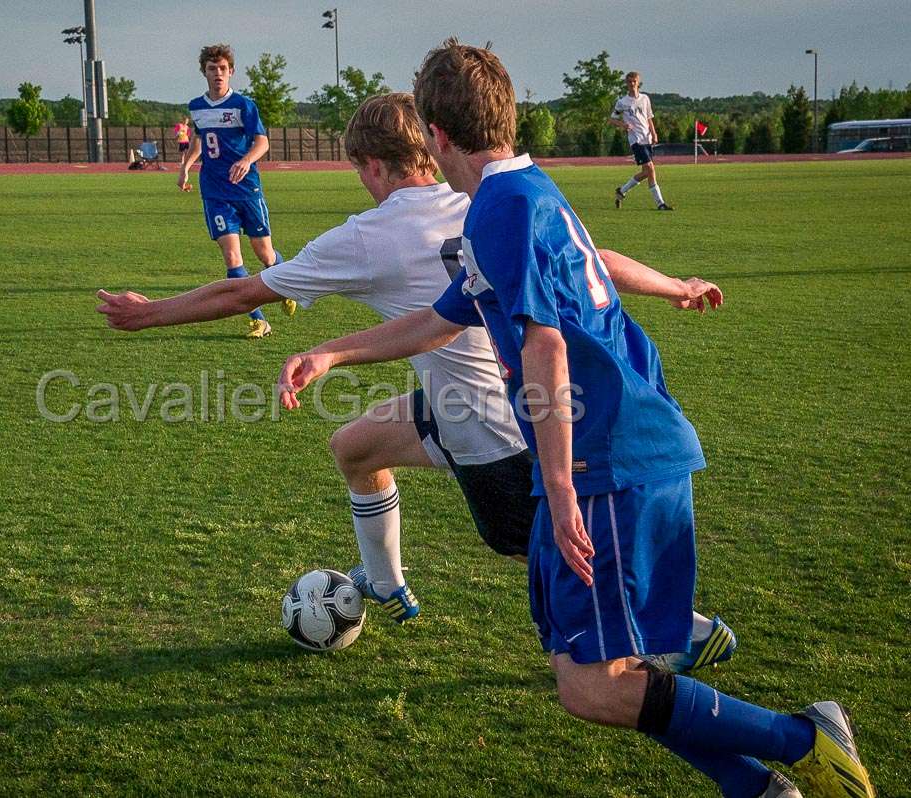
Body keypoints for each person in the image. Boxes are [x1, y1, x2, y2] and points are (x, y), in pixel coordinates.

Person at [275, 40, 874, 798]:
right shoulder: (521, 190)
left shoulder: (501, 207)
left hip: (610, 460)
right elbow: (441, 318)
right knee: (584, 666)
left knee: (593, 685)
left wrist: (557, 492)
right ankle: (754, 786)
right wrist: (331, 353)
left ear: (436, 133)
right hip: (621, 451)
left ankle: (802, 734)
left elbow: (546, 347)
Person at [97, 93, 736, 675]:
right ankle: (382, 583)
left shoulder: (368, 236)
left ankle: (681, 629)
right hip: (474, 400)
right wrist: (676, 285)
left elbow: (244, 291)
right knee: (356, 448)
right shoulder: (483, 197)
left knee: (544, 555)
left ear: (372, 165)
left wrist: (147, 313)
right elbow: (592, 260)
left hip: (492, 427)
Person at [177, 43, 294, 338]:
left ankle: (286, 283)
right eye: (211, 69)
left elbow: (262, 142)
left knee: (265, 255)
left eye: (222, 69)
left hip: (246, 188)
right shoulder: (197, 107)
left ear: (231, 72)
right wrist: (185, 166)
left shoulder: (244, 105)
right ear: (204, 72)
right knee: (232, 257)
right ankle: (258, 320)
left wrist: (245, 160)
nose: (217, 73)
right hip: (215, 190)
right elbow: (200, 140)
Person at [610, 71, 672, 210]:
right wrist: (623, 125)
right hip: (635, 140)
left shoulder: (645, 99)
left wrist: (654, 133)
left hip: (647, 138)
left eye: (634, 82)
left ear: (638, 83)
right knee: (650, 168)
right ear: (626, 84)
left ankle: (622, 191)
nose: (632, 84)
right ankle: (660, 204)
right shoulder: (622, 102)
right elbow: (612, 119)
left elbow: (649, 117)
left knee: (646, 172)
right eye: (629, 82)